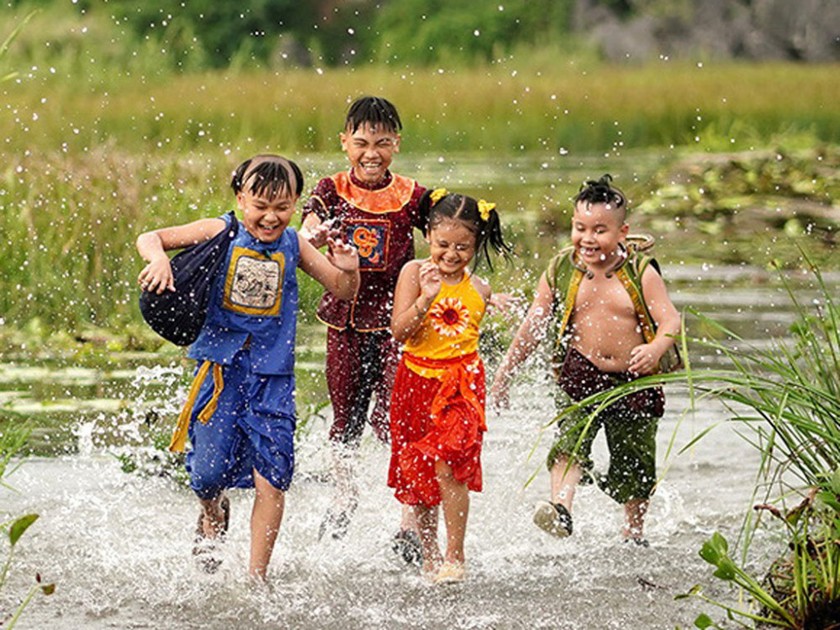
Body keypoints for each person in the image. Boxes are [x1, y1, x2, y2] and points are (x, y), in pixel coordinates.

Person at [136, 154, 360, 581]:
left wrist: (349, 269)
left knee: (273, 477)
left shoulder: (295, 244)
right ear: (241, 197)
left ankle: (257, 579)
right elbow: (151, 237)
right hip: (220, 373)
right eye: (260, 205)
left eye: (282, 207)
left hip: (273, 378)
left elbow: (343, 289)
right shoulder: (223, 229)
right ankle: (211, 509)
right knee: (207, 474)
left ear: (295, 203)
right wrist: (158, 259)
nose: (271, 217)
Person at [490, 174, 681, 546]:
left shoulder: (641, 271)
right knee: (570, 441)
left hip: (634, 376)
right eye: (580, 228)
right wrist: (505, 373)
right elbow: (534, 324)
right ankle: (562, 508)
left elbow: (670, 320)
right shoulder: (562, 268)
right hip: (581, 369)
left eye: (599, 230)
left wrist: (655, 349)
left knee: (636, 459)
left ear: (622, 232)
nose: (588, 239)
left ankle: (634, 532)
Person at [300, 96, 427, 557]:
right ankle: (344, 496)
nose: (371, 152)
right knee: (345, 417)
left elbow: (449, 237)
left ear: (396, 145)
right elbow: (310, 222)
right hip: (347, 321)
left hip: (401, 324)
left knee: (403, 418)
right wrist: (311, 235)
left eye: (382, 142)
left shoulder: (414, 196)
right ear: (344, 143)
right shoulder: (330, 188)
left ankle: (409, 518)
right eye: (361, 143)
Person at [388, 188, 511, 583]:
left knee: (451, 465)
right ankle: (430, 554)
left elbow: (470, 310)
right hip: (415, 383)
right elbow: (399, 332)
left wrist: (494, 303)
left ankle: (455, 556)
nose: (451, 254)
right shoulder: (414, 273)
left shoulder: (480, 289)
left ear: (476, 244)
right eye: (443, 244)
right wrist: (425, 299)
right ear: (428, 236)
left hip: (461, 385)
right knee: (420, 470)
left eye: (463, 246)